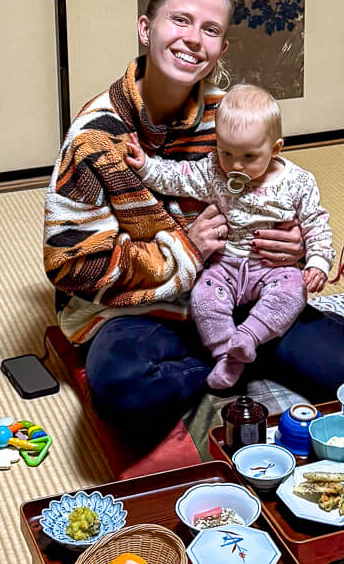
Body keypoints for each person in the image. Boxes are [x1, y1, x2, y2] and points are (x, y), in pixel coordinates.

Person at [43, 0, 344, 449]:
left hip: (239, 289)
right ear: (146, 29)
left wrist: (296, 247)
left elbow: (286, 194)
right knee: (123, 388)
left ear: (222, 48)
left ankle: (242, 341)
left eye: (210, 30)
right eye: (180, 20)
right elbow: (71, 265)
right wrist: (186, 249)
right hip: (145, 312)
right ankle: (239, 352)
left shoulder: (230, 116)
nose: (193, 40)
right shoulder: (96, 137)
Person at [123, 82, 332, 390]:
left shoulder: (297, 182)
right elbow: (176, 179)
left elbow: (316, 224)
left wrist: (317, 262)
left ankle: (249, 336)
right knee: (202, 297)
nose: (235, 165)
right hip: (227, 265)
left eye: (249, 156)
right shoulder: (214, 172)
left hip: (273, 268)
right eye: (226, 152)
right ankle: (226, 355)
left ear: (275, 149)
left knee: (293, 292)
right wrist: (145, 166)